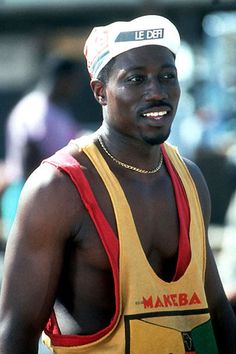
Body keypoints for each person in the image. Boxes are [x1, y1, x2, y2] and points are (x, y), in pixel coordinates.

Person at [0, 15, 235, 354]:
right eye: (136, 79)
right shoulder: (59, 189)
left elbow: (216, 313)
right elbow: (15, 333)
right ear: (100, 92)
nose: (157, 91)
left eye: (168, 76)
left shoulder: (190, 179)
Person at [1, 55, 81, 241]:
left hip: (48, 193)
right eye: (73, 81)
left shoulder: (58, 109)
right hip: (28, 192)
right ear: (63, 79)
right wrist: (40, 199)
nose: (75, 88)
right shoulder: (36, 109)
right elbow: (30, 155)